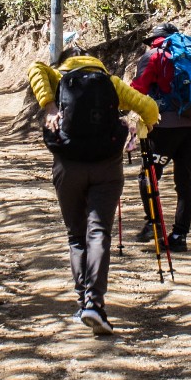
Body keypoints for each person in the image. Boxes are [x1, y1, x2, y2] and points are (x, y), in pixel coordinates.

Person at [27, 44, 160, 336]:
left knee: (77, 236)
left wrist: (49, 105)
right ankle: (95, 304)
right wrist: (141, 131)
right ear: (95, 61)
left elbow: (35, 68)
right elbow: (149, 108)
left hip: (67, 165)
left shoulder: (58, 76)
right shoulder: (110, 82)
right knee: (99, 231)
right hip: (107, 168)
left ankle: (81, 302)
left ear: (65, 60)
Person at [130, 24, 191, 253]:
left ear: (157, 40)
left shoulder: (154, 55)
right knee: (186, 183)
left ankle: (154, 224)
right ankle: (179, 236)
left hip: (164, 125)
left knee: (149, 174)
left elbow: (138, 89)